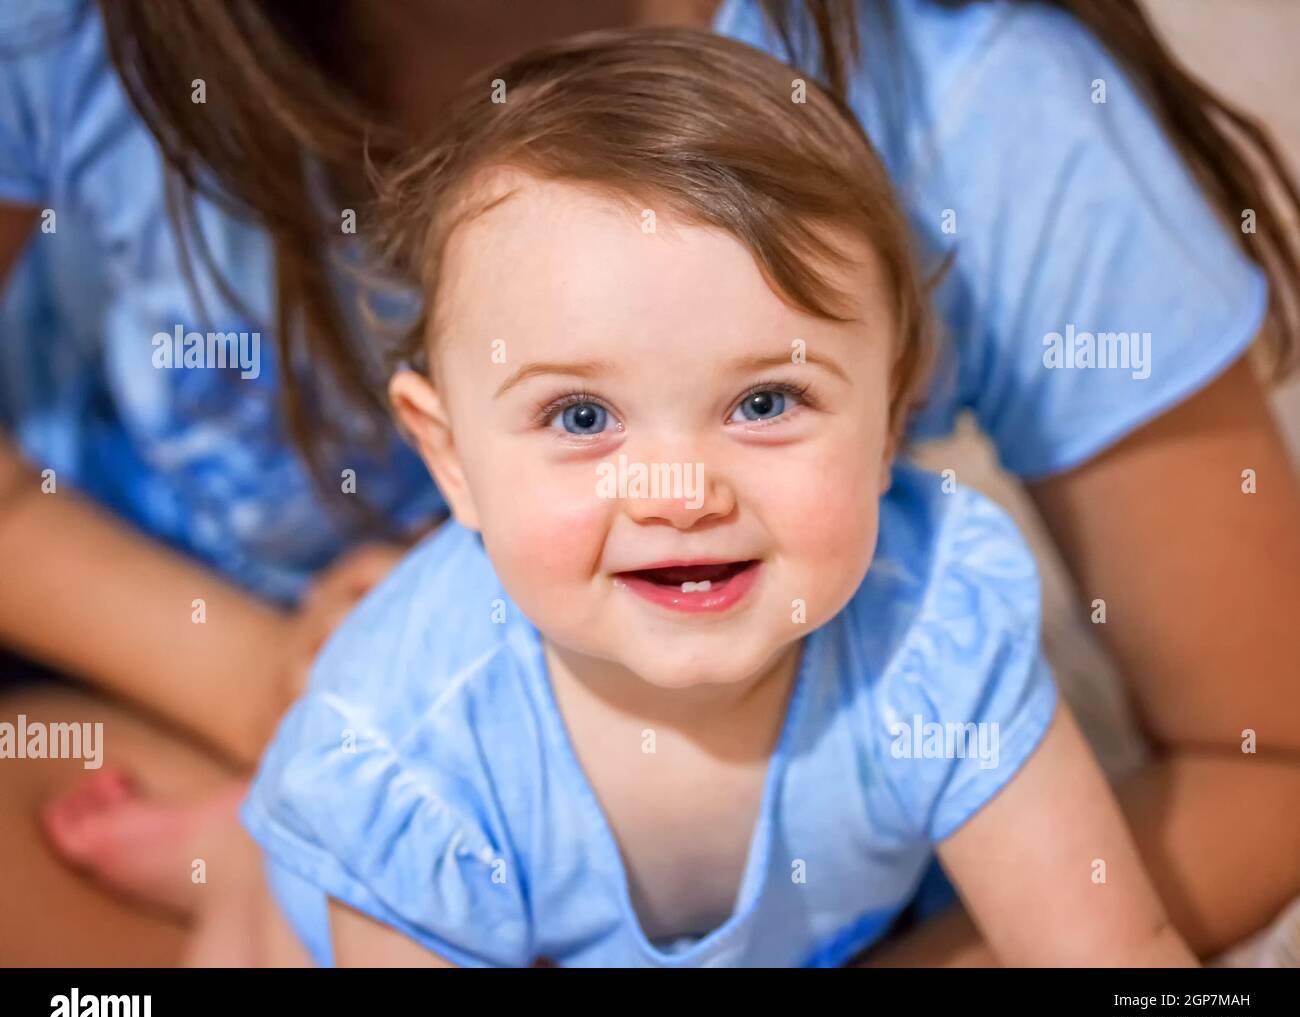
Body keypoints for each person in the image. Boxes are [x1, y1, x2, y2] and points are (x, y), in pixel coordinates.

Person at [2, 0, 1297, 966]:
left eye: (767, 401)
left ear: (896, 401)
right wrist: (255, 688)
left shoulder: (942, 638)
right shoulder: (404, 748)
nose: (679, 487)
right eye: (580, 414)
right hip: (275, 742)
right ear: (442, 453)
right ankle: (242, 853)